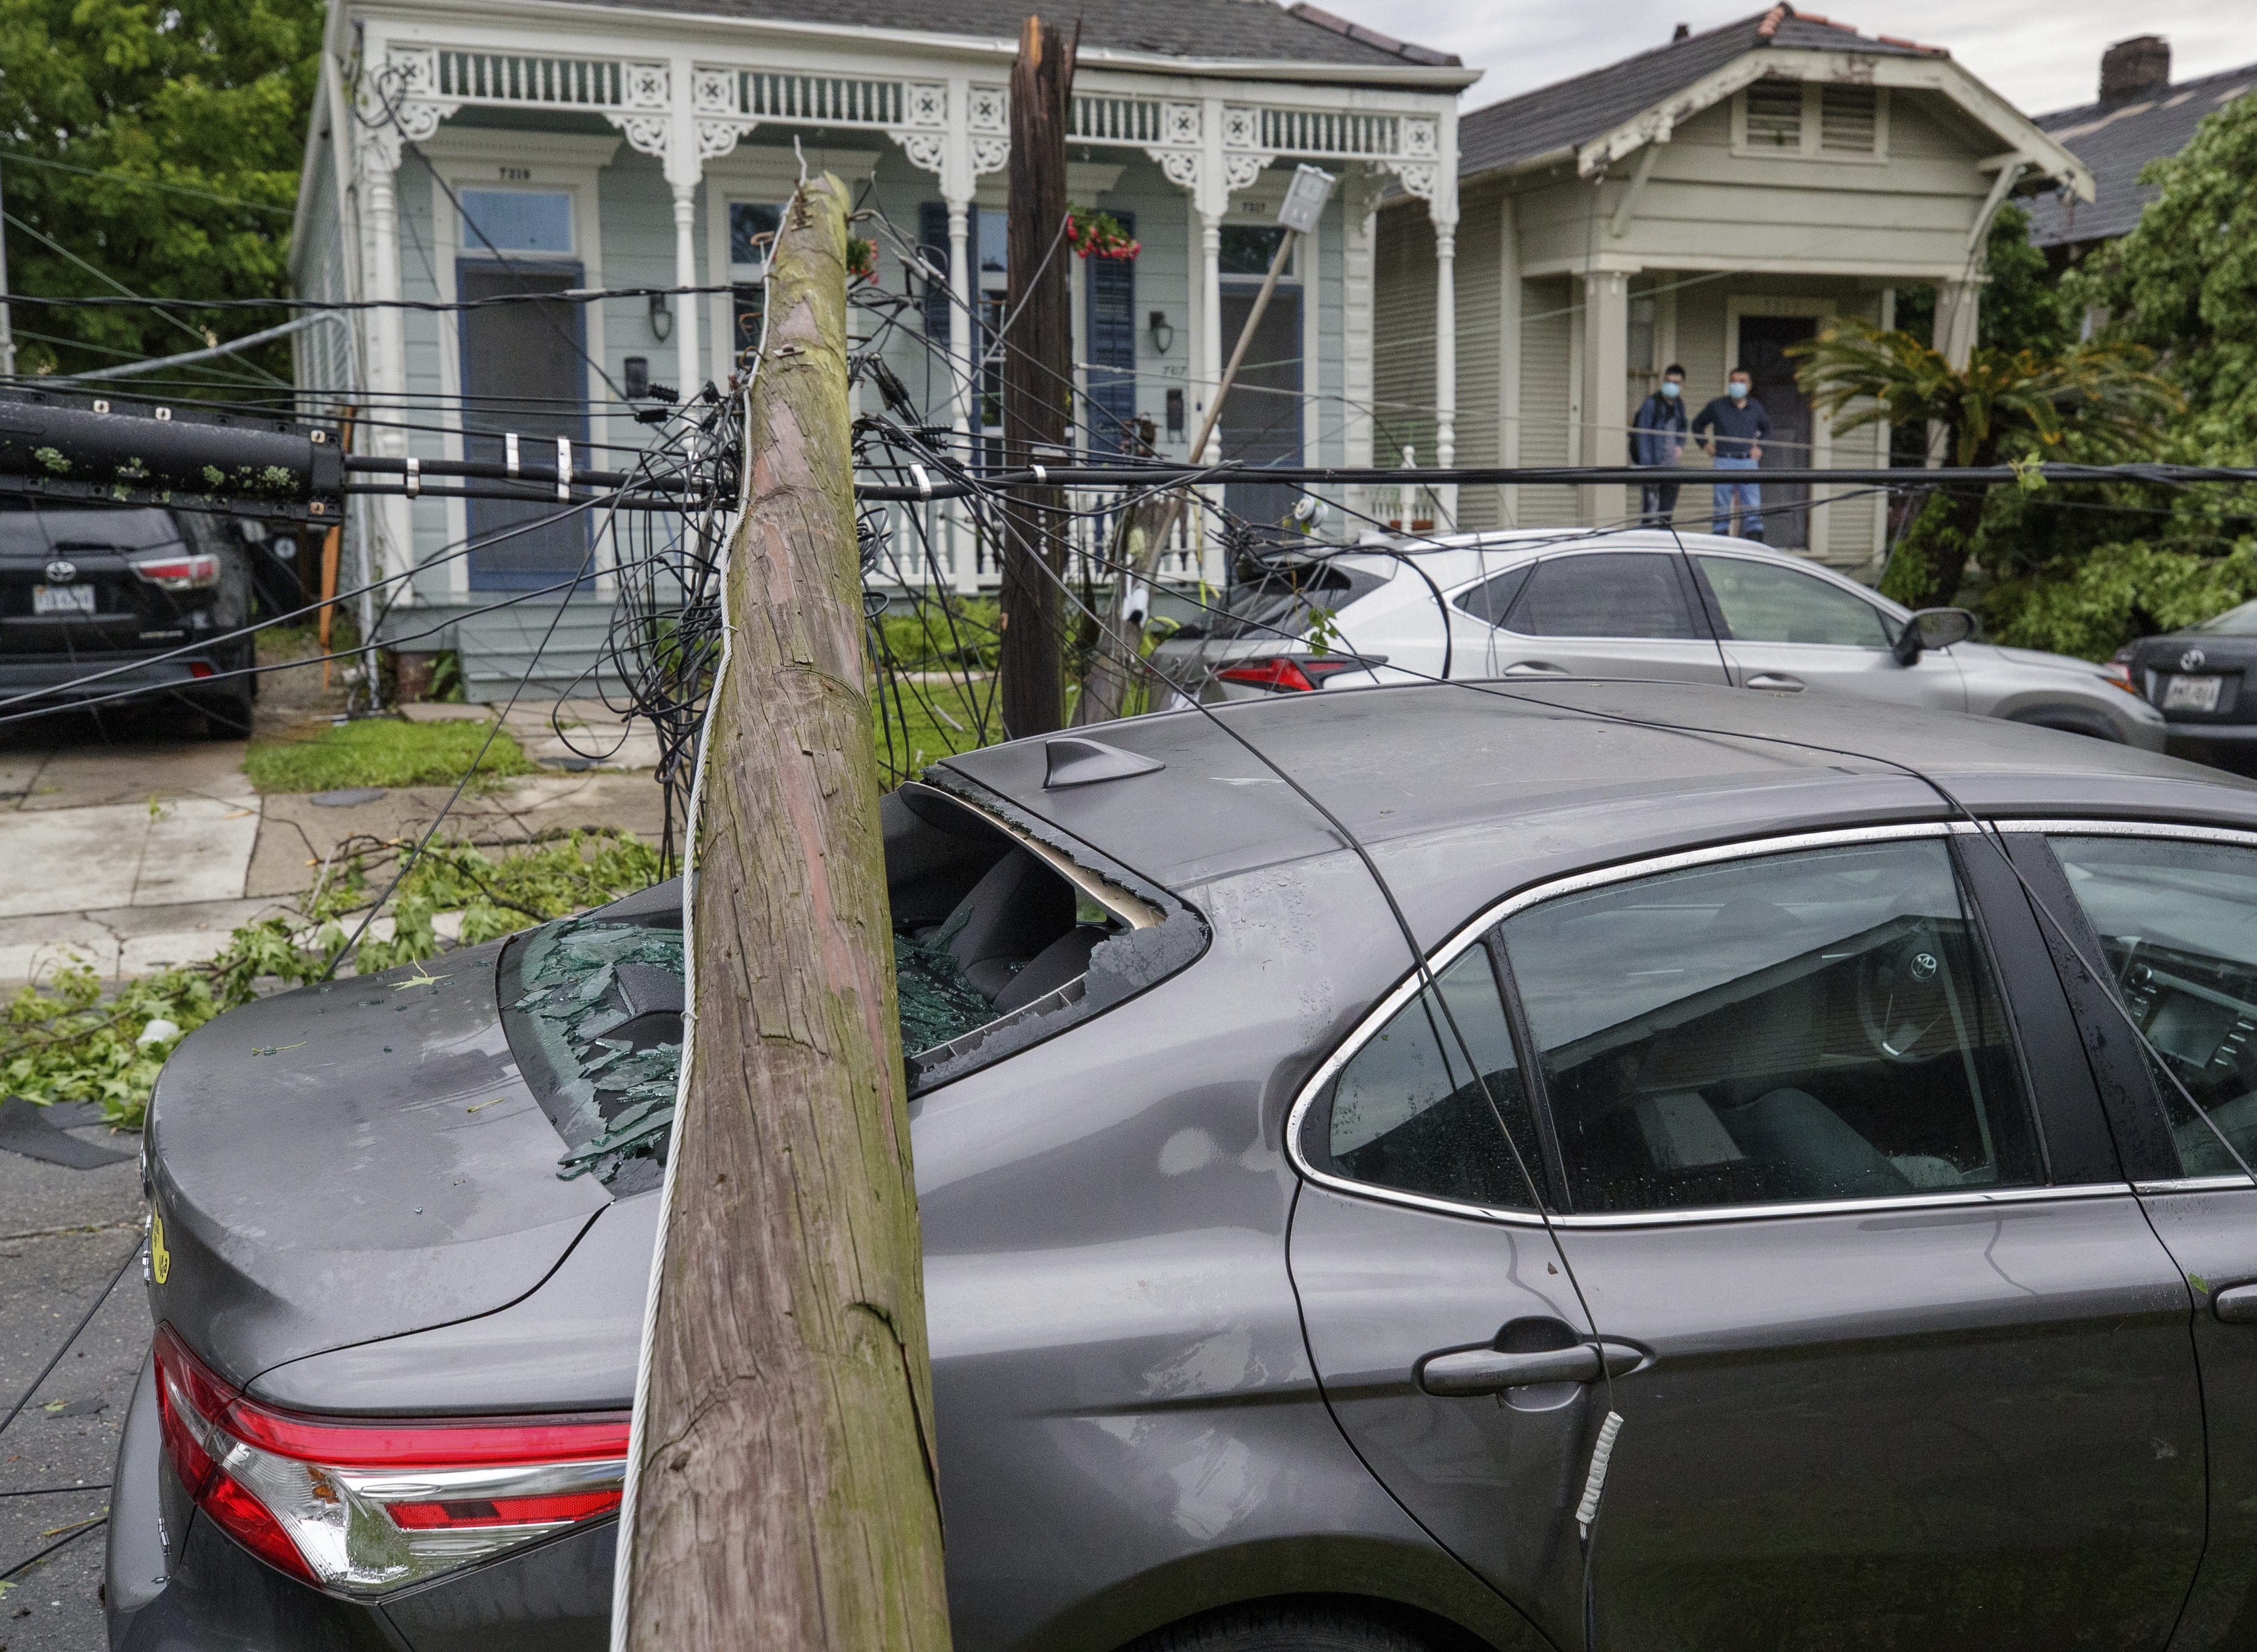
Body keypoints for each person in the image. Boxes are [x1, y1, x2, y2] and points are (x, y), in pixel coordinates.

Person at [1691, 367, 1772, 541]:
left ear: (1749, 386)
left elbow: (1768, 429)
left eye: (1742, 381)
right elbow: (1697, 425)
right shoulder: (1717, 406)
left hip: (1747, 462)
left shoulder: (1756, 407)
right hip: (1723, 461)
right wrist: (1705, 444)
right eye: (1734, 381)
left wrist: (1761, 449)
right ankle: (1721, 545)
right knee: (1721, 509)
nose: (1737, 384)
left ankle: (1756, 547)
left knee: (1753, 509)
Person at [1630, 365, 1688, 525]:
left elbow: (1683, 427)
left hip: (1672, 469)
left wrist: (1680, 445)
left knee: (1666, 516)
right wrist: (1647, 469)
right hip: (1653, 468)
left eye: (1677, 382)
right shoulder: (1651, 404)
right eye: (1669, 381)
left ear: (1683, 384)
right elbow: (1643, 437)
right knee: (1649, 514)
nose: (1672, 385)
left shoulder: (1679, 405)